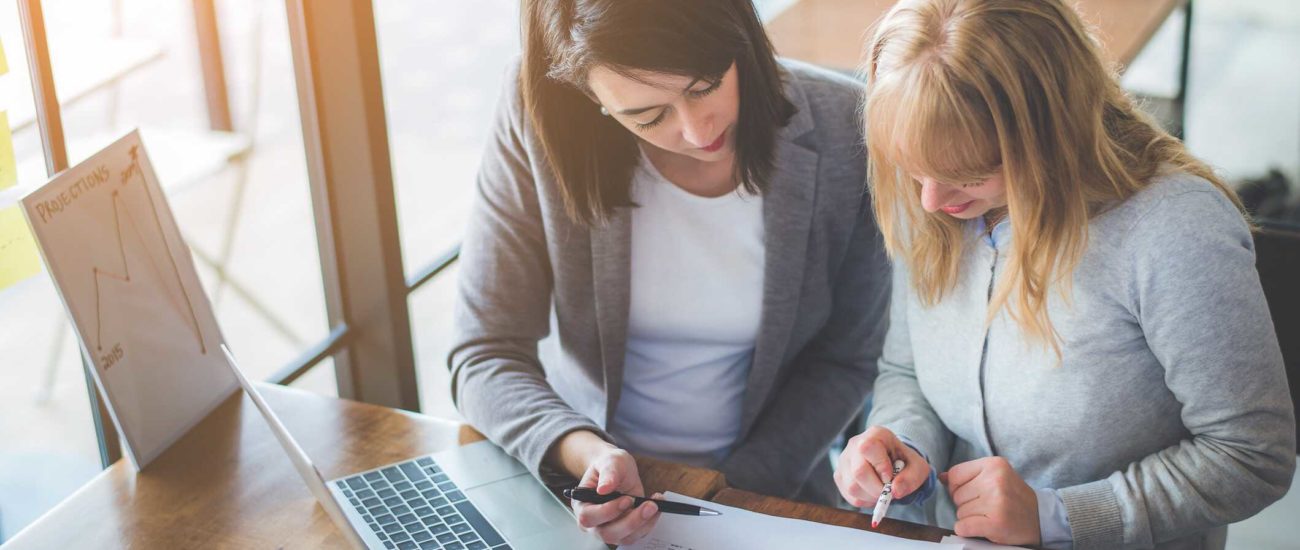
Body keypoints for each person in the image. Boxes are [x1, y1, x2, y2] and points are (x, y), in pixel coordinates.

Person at [834, 1, 1297, 549]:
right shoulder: (931, 198)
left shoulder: (1172, 231)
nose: (931, 201)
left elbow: (1252, 455)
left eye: (971, 174)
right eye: (914, 171)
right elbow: (905, 370)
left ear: (1050, 139)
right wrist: (903, 442)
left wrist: (1060, 516)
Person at [449, 0, 891, 544]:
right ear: (591, 100)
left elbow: (845, 360)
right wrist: (590, 456)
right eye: (648, 116)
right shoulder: (537, 115)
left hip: (762, 491)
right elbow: (485, 353)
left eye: (705, 84)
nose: (697, 129)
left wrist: (719, 497)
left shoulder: (845, 126)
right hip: (576, 489)